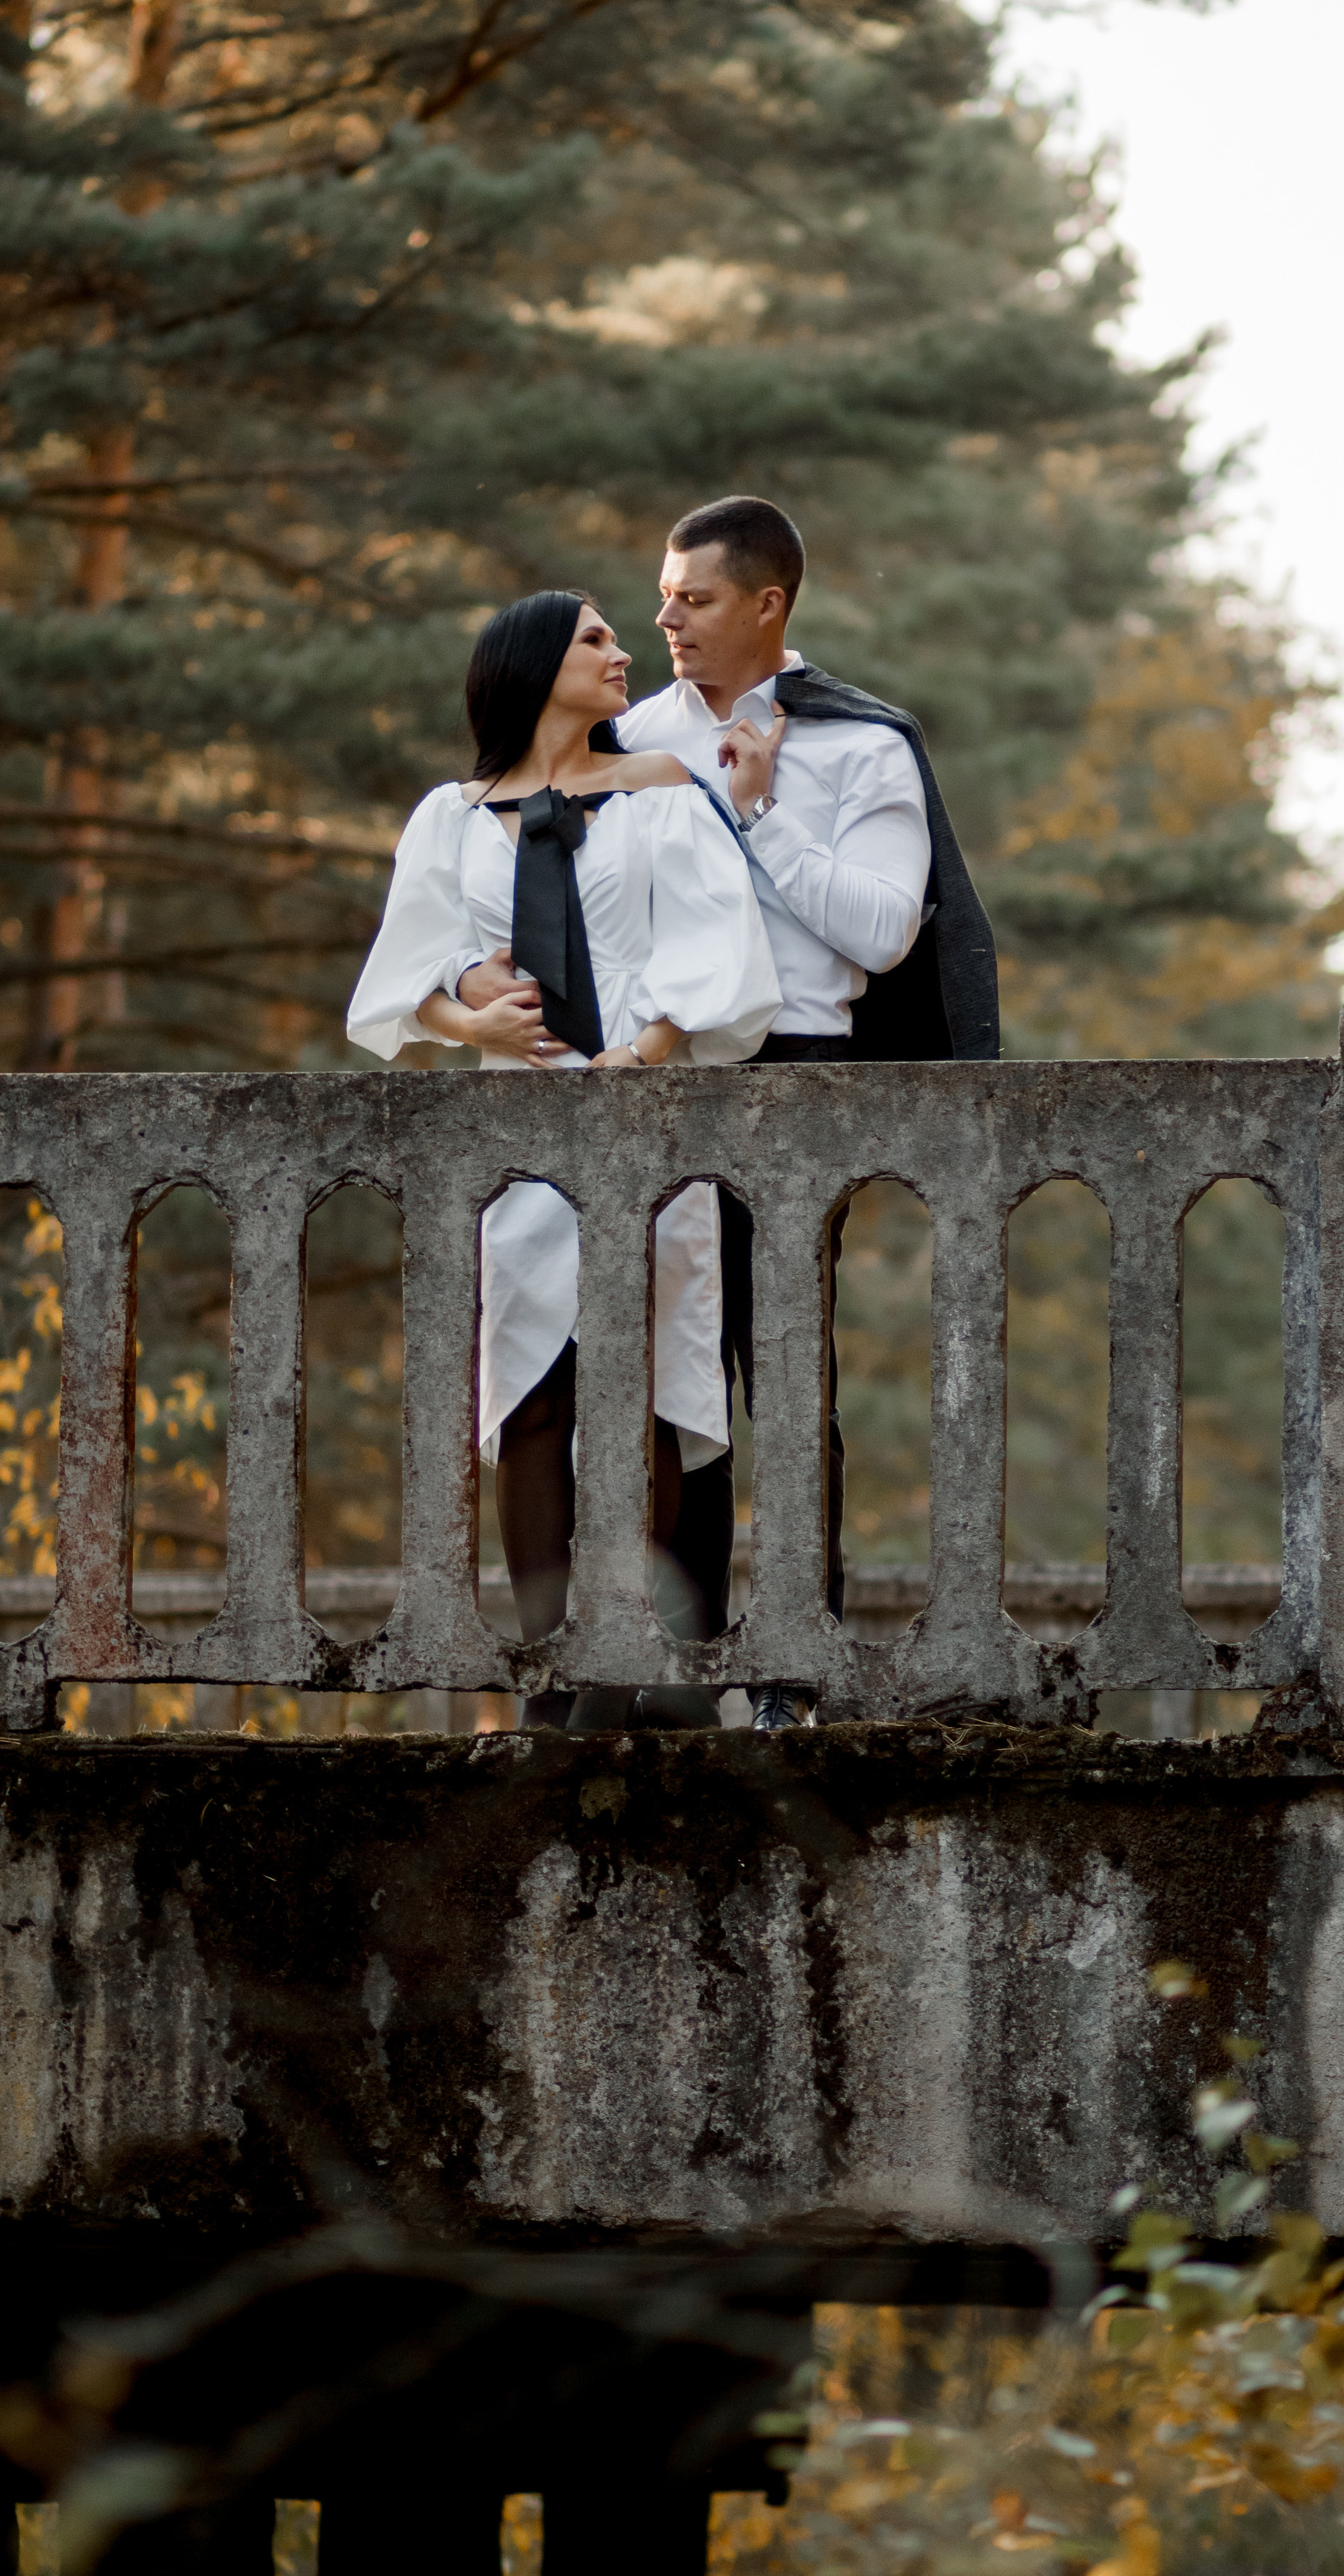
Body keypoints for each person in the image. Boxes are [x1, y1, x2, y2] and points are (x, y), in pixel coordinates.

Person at [458, 496, 1000, 1728]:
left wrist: (756, 817)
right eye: (660, 599)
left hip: (802, 1081)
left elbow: (880, 932)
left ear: (767, 605)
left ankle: (795, 1670)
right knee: (668, 1370)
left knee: (780, 1369)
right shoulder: (633, 736)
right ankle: (683, 1670)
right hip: (664, 1072)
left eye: (692, 601)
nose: (666, 621)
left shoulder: (865, 748)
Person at [345, 589, 781, 1728]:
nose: (624, 649)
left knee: (638, 1393)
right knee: (530, 1398)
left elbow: (715, 941)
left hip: (645, 1118)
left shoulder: (663, 797)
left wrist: (646, 1052)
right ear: (533, 663)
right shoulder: (451, 817)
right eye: (596, 637)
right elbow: (405, 981)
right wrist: (471, 1021)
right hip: (522, 1136)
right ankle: (551, 1686)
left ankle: (627, 1668)